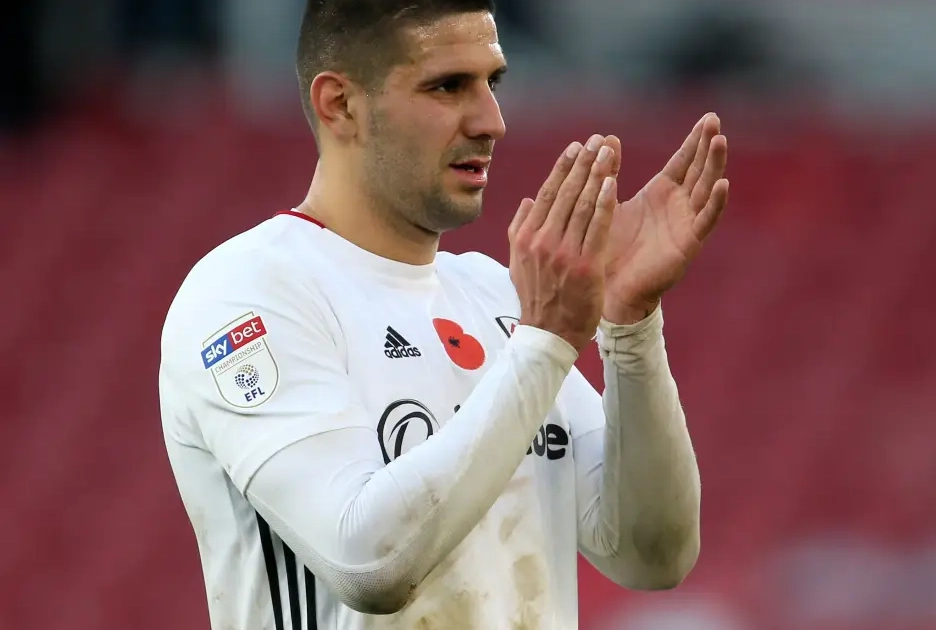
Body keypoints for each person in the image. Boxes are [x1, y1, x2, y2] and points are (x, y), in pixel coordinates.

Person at [157, 0, 730, 628]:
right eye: (448, 86)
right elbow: (367, 565)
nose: (492, 121)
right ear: (340, 104)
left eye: (492, 83)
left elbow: (652, 556)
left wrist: (630, 327)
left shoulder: (497, 297)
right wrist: (545, 342)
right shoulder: (248, 294)